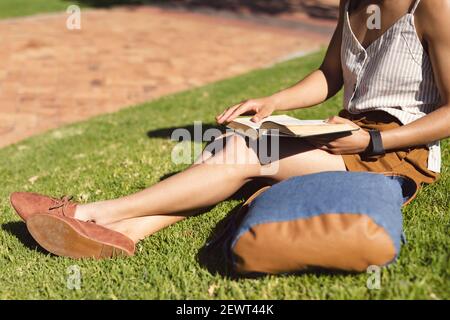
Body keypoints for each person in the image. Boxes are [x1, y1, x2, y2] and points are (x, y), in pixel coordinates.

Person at [10, 0, 450, 258]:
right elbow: (330, 75)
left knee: (244, 155)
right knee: (230, 140)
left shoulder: (432, 7)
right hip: (344, 131)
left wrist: (373, 139)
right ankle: (129, 233)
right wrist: (274, 102)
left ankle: (94, 214)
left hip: (393, 153)